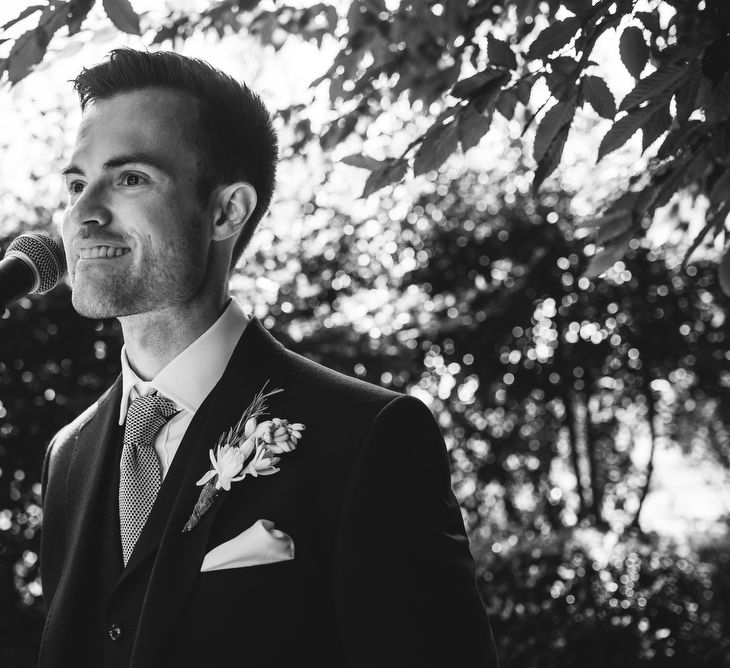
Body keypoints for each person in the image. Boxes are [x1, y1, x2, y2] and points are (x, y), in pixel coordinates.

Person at [39, 48, 499, 667]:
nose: (83, 212)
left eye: (130, 179)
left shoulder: (368, 438)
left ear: (227, 210)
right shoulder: (68, 455)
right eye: (76, 183)